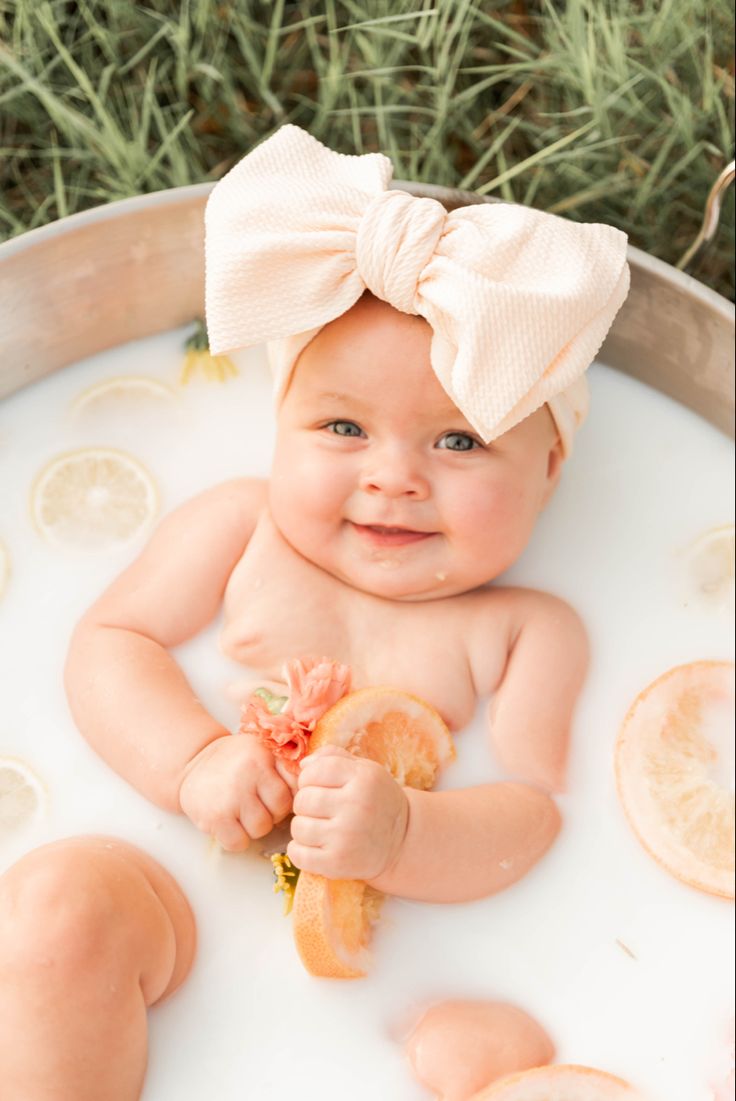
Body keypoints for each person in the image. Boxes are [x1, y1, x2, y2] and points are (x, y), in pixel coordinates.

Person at [0, 125, 629, 1101]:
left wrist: (405, 839)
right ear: (278, 421)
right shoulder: (241, 528)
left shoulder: (523, 633)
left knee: (481, 1054)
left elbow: (536, 815)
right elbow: (109, 646)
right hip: (165, 895)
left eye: (459, 442)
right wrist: (194, 759)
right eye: (342, 427)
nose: (392, 477)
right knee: (57, 913)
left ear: (548, 469)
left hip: (379, 973)